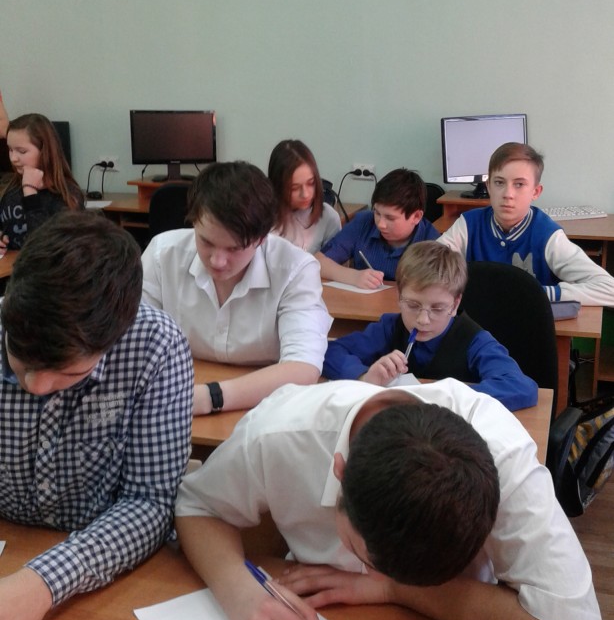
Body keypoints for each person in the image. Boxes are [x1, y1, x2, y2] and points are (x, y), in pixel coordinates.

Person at [175, 378, 602, 620]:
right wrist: (238, 593)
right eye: (367, 559)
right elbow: (197, 505)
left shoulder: (501, 460)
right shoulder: (280, 433)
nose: (374, 575)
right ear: (339, 471)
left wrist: (395, 591)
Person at [0, 212, 193, 620]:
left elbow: (150, 502)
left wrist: (42, 583)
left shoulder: (156, 347)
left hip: (103, 576)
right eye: (20, 362)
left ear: (113, 340)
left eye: (66, 373)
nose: (36, 386)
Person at [141, 160, 331, 416]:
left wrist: (210, 397)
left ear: (261, 239)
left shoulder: (295, 269)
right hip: (175, 396)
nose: (217, 261)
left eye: (234, 248)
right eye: (206, 242)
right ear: (194, 221)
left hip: (261, 408)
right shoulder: (162, 255)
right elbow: (133, 342)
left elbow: (303, 368)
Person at [322, 241, 537, 411]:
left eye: (438, 308)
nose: (423, 320)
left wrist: (445, 397)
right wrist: (364, 377)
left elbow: (521, 387)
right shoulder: (390, 327)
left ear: (455, 304)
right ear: (399, 296)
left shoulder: (473, 340)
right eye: (413, 305)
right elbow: (329, 352)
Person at [437, 142, 614, 306]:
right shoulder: (468, 225)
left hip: (528, 325)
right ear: (488, 186)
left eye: (519, 184)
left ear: (536, 192)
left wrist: (539, 293)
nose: (508, 194)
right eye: (499, 182)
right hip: (479, 323)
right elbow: (428, 268)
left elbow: (609, 289)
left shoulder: (547, 235)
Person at [316, 168, 440, 289]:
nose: (380, 224)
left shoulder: (433, 243)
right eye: (377, 213)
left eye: (390, 218)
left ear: (416, 216)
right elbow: (318, 262)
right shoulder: (363, 222)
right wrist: (354, 276)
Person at [0, 113, 84, 257]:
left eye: (22, 151)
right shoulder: (10, 188)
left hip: (46, 269)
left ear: (45, 151)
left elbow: (44, 247)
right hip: (12, 268)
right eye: (10, 150)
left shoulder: (68, 195)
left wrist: (30, 192)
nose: (13, 158)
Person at [268, 138, 341, 254]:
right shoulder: (264, 220)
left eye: (311, 183)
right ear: (278, 186)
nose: (305, 194)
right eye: (294, 188)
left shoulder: (328, 217)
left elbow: (333, 262)